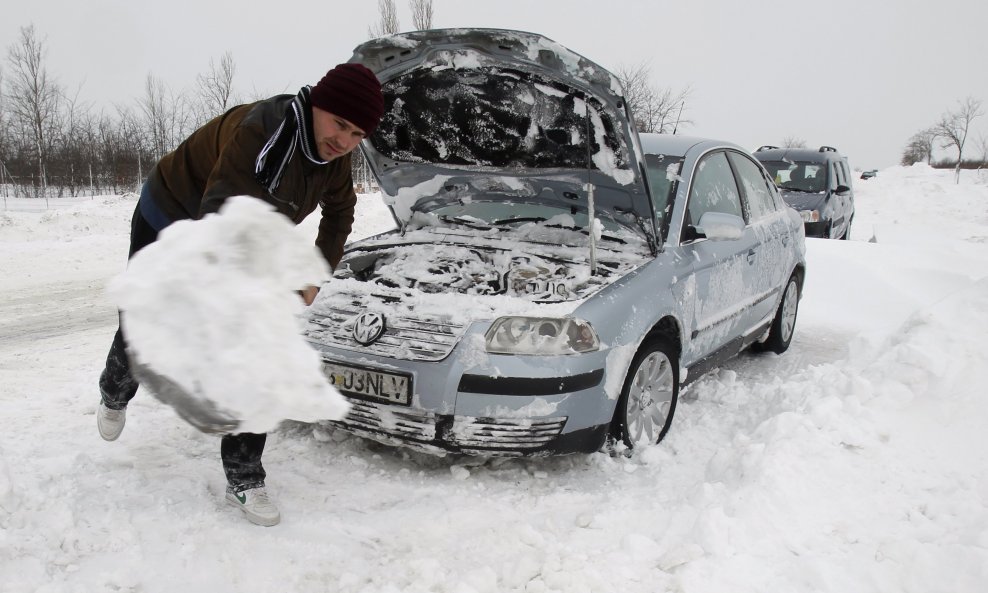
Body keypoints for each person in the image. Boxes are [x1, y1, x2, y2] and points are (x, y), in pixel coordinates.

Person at [96, 63, 385, 527]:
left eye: (356, 134)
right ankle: (114, 390)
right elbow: (221, 216)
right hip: (173, 211)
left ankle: (244, 478)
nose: (344, 140)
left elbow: (340, 213)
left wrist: (315, 272)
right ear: (316, 106)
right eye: (339, 124)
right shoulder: (260, 132)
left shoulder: (334, 158)